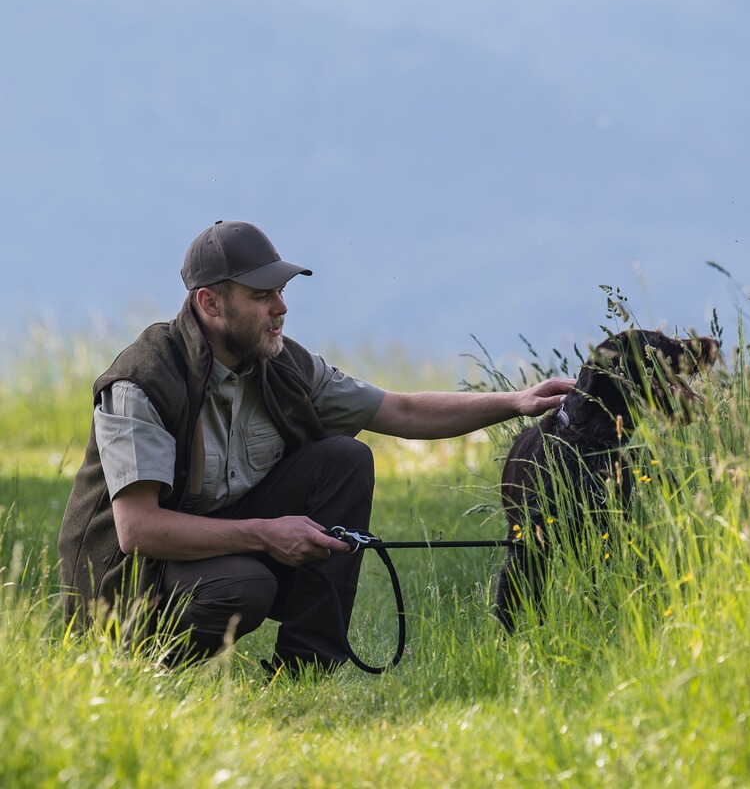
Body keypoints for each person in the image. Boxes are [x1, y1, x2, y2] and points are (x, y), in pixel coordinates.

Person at [58, 220, 575, 672]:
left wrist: (517, 400)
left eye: (281, 292)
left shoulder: (283, 364)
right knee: (246, 585)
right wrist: (265, 534)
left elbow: (401, 410)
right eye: (261, 296)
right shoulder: (141, 380)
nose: (281, 308)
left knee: (345, 461)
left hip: (215, 548)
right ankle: (136, 665)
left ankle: (305, 666)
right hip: (124, 591)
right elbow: (137, 530)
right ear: (210, 303)